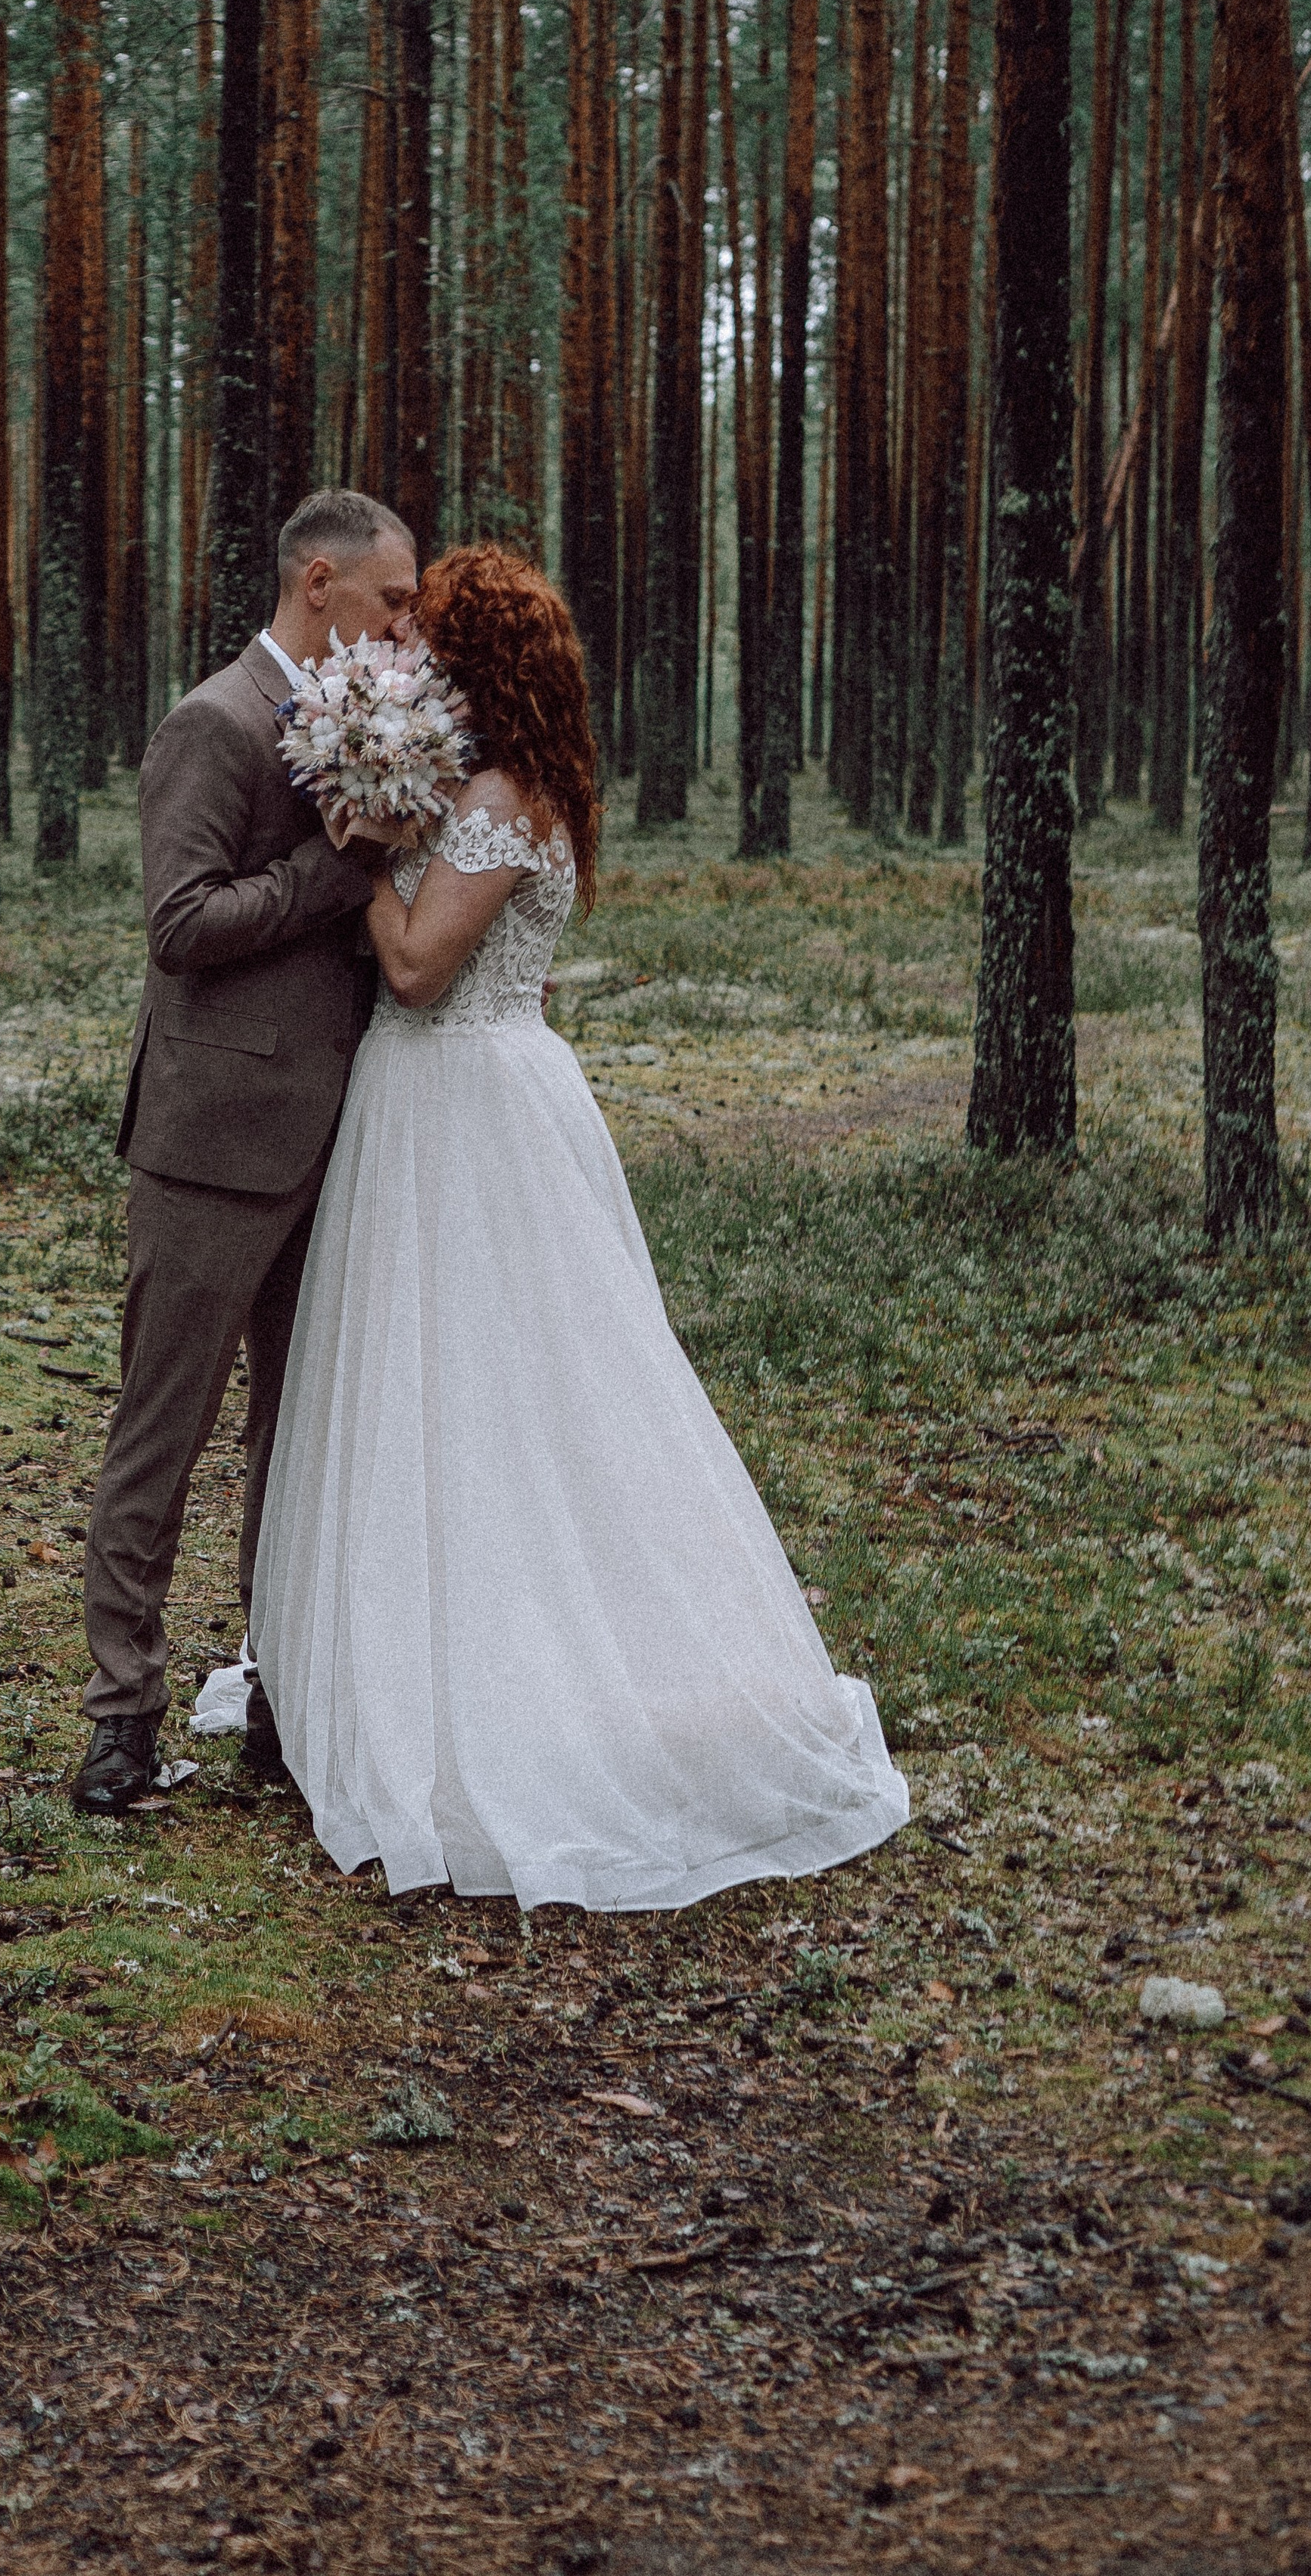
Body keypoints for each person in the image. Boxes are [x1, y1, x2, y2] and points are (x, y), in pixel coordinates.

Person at [249, 546, 910, 1909]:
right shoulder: (503, 784)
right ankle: (422, 1638)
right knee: (436, 1384)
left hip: (463, 1103)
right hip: (444, 1103)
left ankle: (512, 1678)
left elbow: (426, 971)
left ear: (475, 664)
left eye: (432, 639)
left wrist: (360, 854)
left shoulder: (498, 798)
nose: (410, 654)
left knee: (512, 1385)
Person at [68, 488, 419, 1815]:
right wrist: (337, 874)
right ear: (318, 584)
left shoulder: (375, 728)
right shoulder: (212, 723)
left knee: (300, 1436)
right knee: (164, 1430)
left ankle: (281, 1692)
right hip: (212, 1144)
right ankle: (121, 1716)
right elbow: (180, 924)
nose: (405, 632)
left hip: (343, 1135)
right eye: (391, 603)